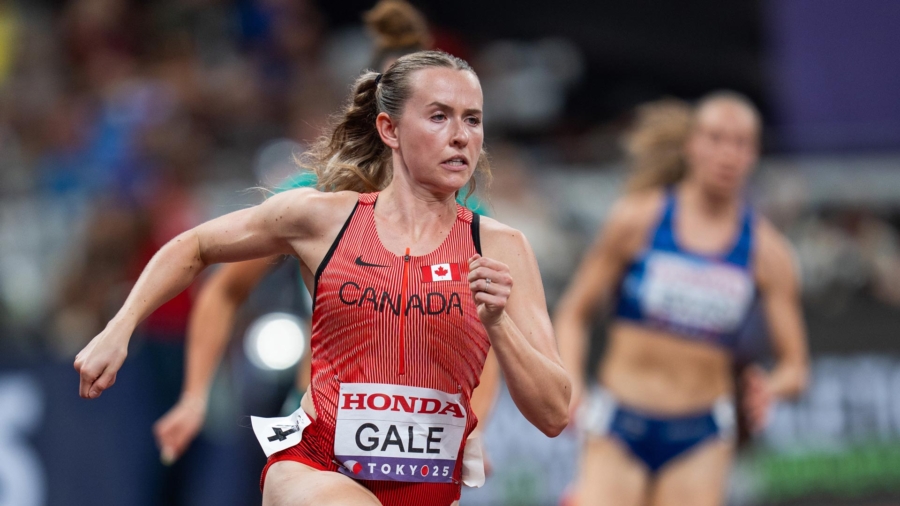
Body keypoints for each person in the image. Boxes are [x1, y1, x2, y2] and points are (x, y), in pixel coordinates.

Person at [74, 50, 570, 506]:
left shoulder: (501, 247)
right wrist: (120, 328)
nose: (461, 135)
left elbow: (554, 413)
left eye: (473, 119)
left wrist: (499, 324)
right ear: (389, 129)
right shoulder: (322, 218)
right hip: (314, 466)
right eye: (439, 116)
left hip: (427, 489)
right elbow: (197, 246)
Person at [151, 0, 499, 468]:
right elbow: (226, 287)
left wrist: (476, 429)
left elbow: (490, 335)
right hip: (319, 410)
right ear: (382, 115)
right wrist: (195, 395)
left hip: (421, 430)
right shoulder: (312, 197)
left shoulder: (470, 219)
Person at [555, 93, 809, 506]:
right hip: (620, 425)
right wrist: (571, 384)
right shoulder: (638, 218)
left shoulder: (769, 252)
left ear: (755, 154)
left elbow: (796, 368)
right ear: (692, 144)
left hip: (701, 436)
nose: (728, 154)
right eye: (716, 138)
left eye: (741, 143)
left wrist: (770, 387)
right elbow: (573, 312)